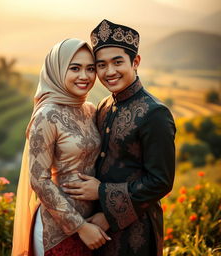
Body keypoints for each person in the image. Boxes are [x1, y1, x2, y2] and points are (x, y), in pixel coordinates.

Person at [62, 20, 176, 256]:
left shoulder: (154, 113)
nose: (109, 72)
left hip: (137, 232)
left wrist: (102, 194)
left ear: (135, 62)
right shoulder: (104, 105)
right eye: (101, 65)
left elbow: (160, 181)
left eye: (117, 62)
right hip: (98, 229)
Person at [11, 38, 111, 256]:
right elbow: (39, 179)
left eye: (90, 69)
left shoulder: (89, 110)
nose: (84, 76)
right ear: (57, 69)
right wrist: (80, 227)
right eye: (75, 68)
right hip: (58, 229)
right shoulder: (46, 115)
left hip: (93, 224)